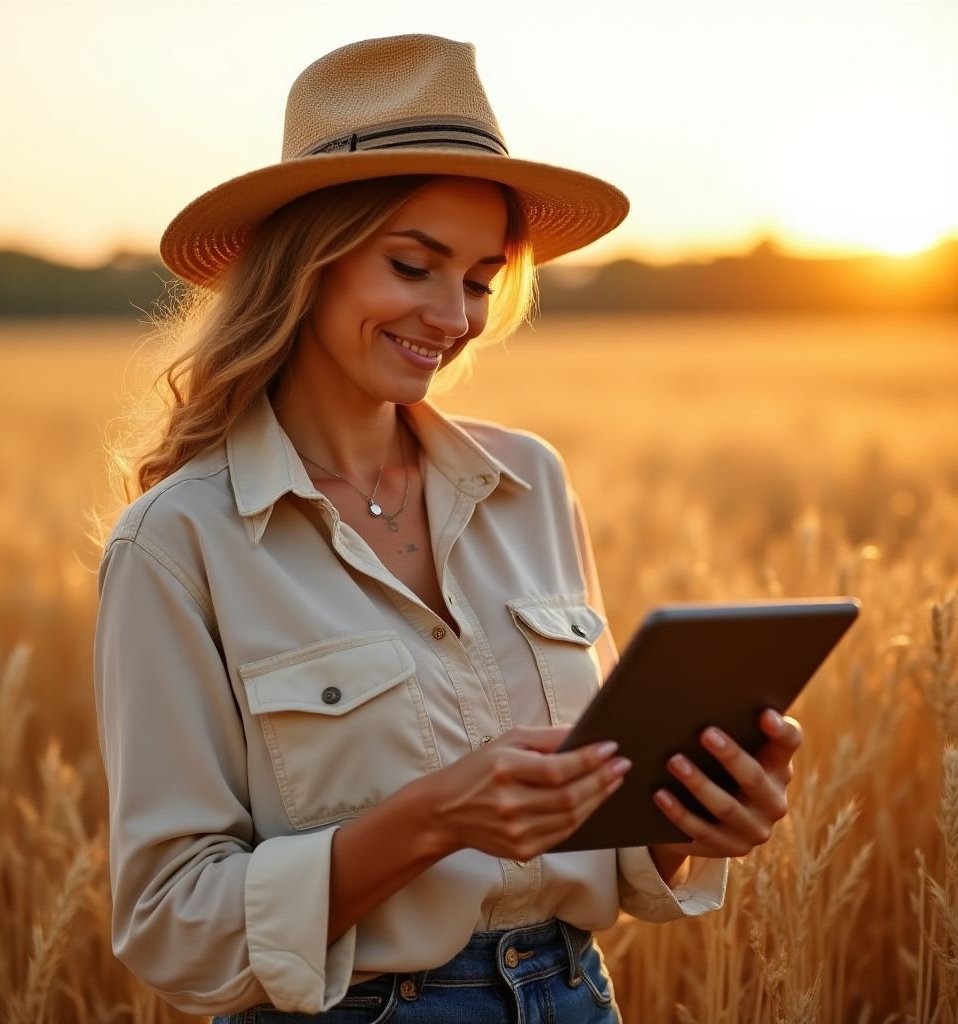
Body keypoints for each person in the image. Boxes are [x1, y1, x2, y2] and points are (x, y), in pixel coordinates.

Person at [92, 33, 802, 1024]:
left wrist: (695, 813)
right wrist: (428, 821)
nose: (454, 317)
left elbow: (598, 841)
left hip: (572, 995)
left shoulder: (530, 483)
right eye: (413, 265)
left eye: (477, 278)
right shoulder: (179, 541)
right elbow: (172, 926)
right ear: (306, 263)